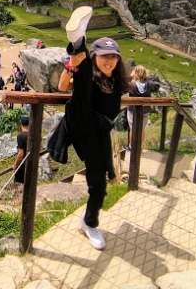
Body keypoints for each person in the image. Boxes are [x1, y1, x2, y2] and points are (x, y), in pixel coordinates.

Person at [56, 35, 130, 251]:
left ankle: (89, 223)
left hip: (99, 134)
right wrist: (71, 65)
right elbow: (62, 86)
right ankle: (77, 42)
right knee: (84, 75)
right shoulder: (88, 77)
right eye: (104, 56)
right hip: (81, 123)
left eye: (113, 57)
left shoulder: (116, 81)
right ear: (95, 57)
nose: (109, 61)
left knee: (98, 184)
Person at [124, 65, 160, 160]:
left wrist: (130, 76)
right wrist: (148, 79)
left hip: (132, 110)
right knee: (142, 129)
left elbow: (123, 85)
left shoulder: (132, 84)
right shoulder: (149, 84)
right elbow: (157, 86)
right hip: (145, 110)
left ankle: (132, 147)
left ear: (135, 73)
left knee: (132, 128)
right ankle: (138, 147)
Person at [13, 115, 30, 185]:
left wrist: (15, 164)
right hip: (32, 163)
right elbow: (40, 147)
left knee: (18, 184)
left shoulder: (21, 136)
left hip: (23, 164)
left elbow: (21, 153)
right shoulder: (34, 134)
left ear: (21, 124)